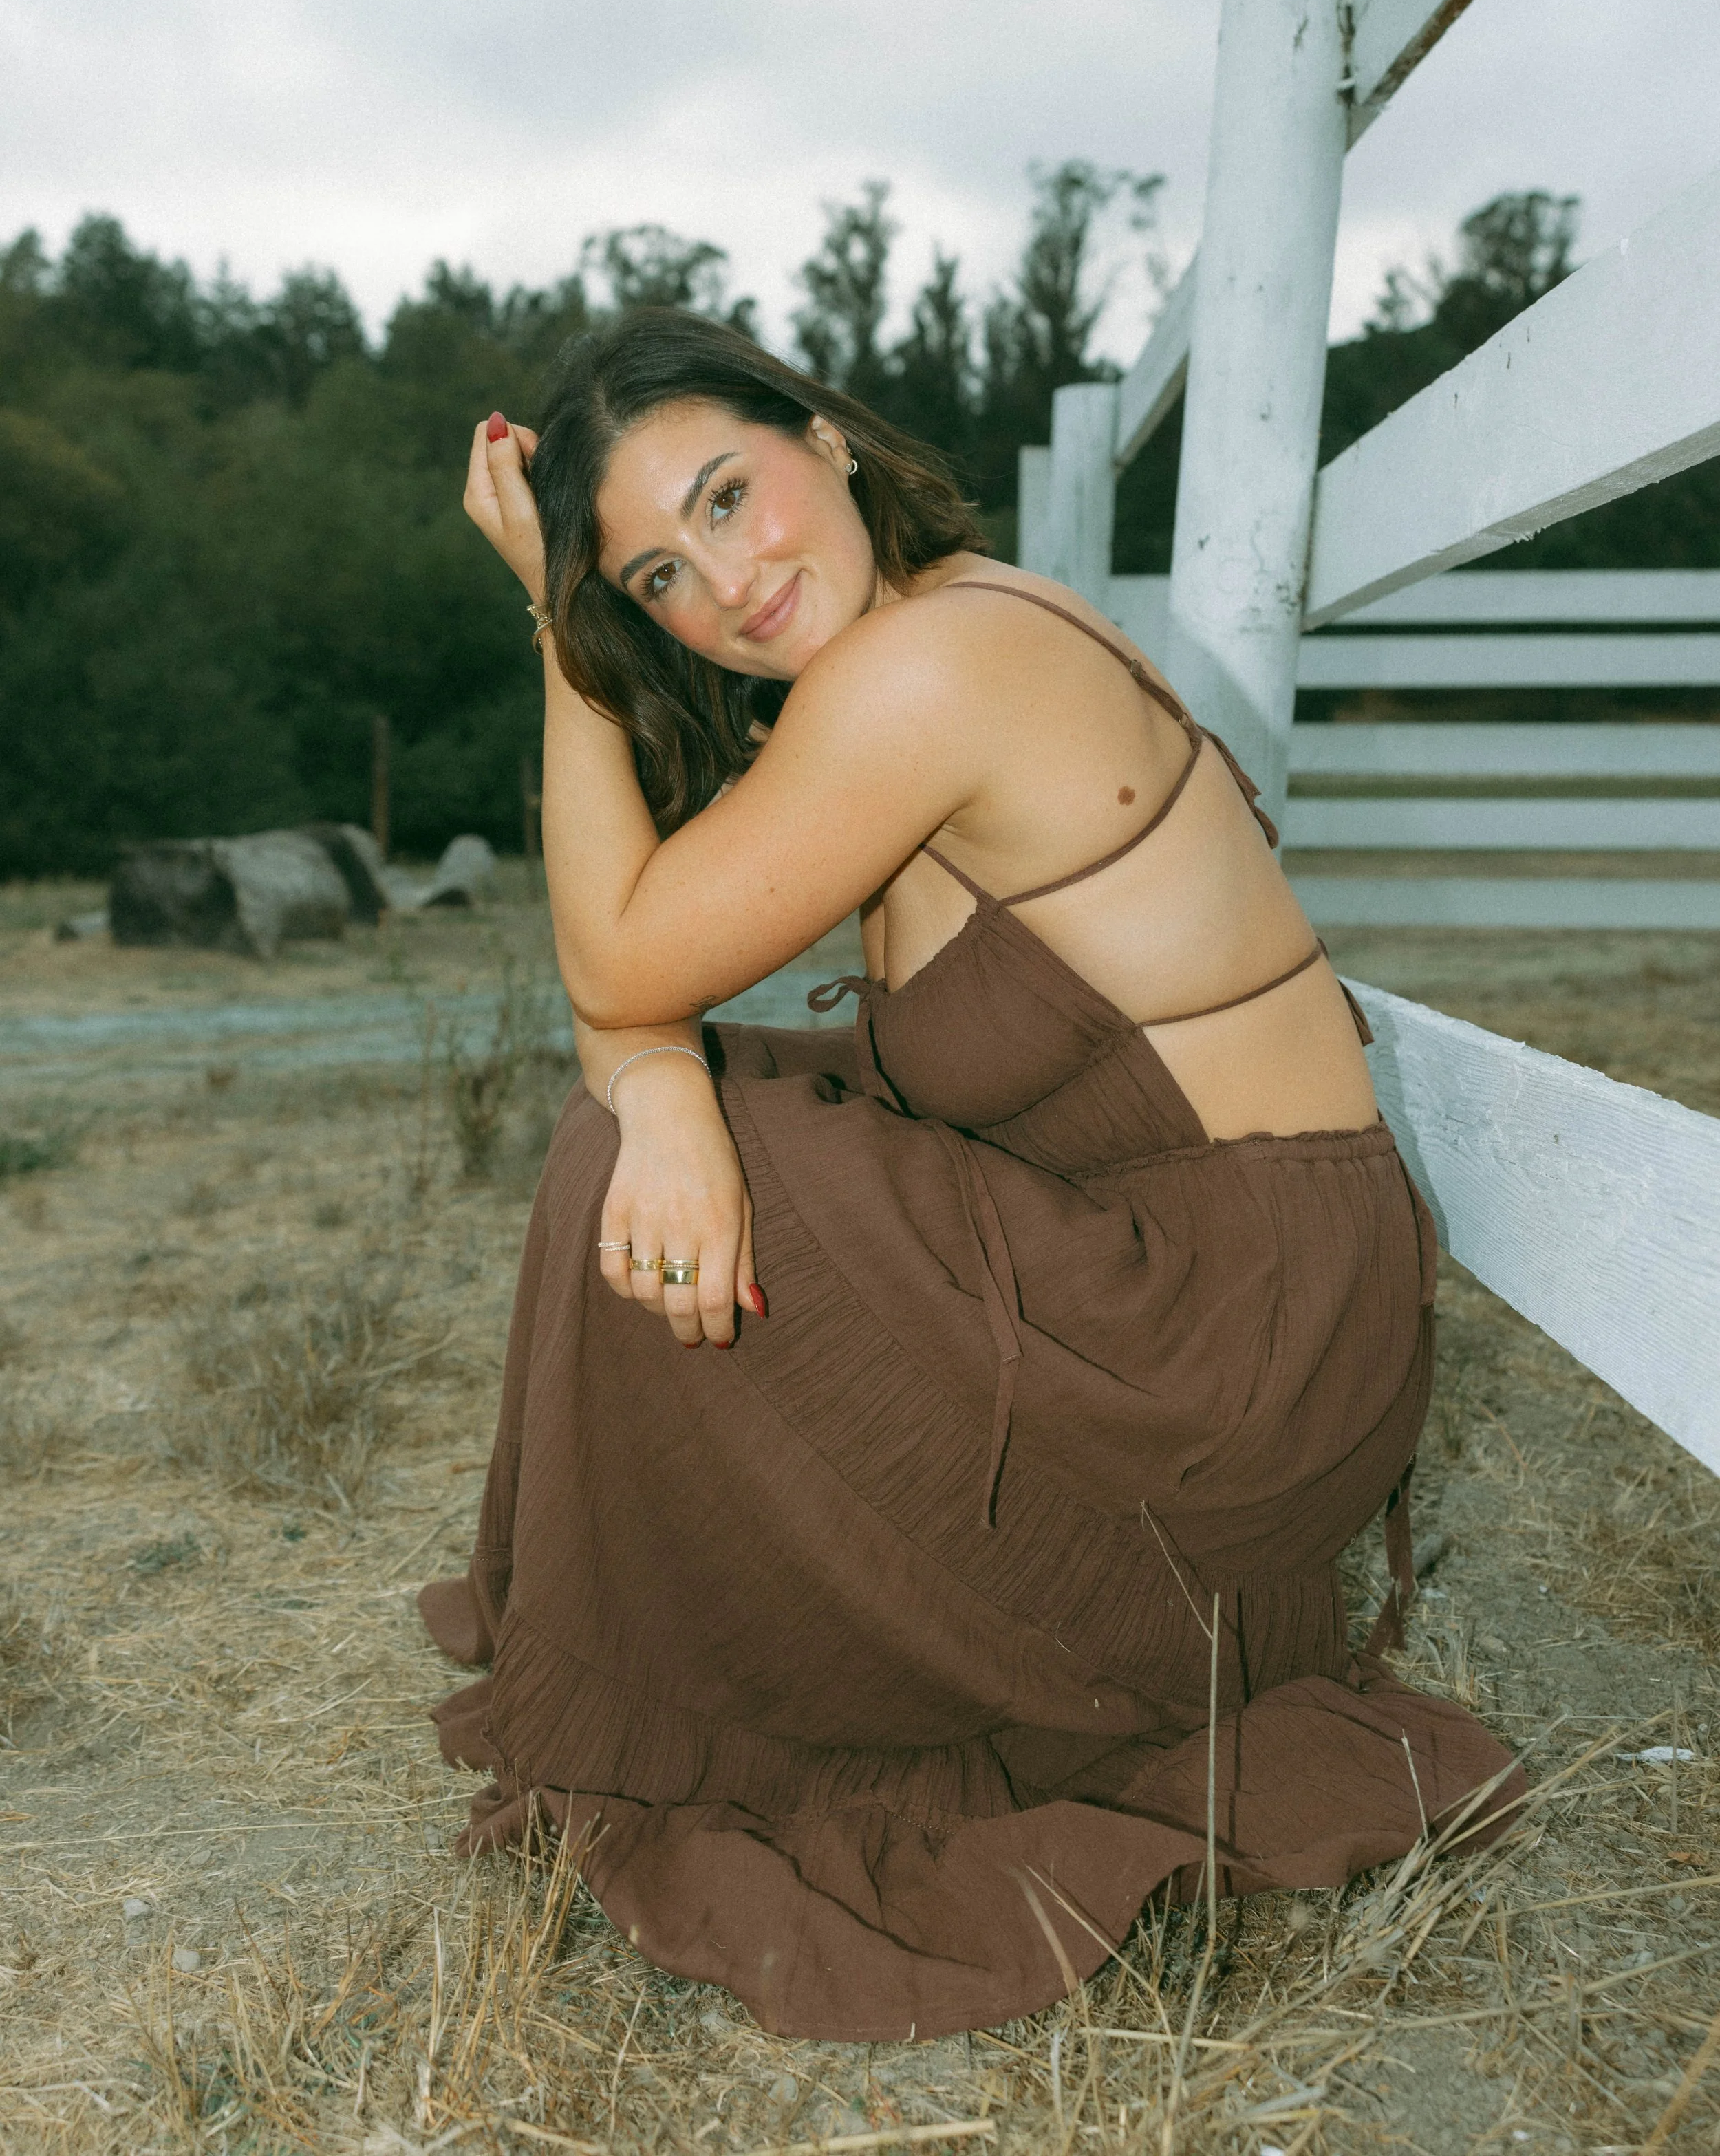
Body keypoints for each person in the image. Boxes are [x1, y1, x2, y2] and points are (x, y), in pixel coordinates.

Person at [419, 307, 1516, 2045]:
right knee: (640, 1148)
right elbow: (625, 1012)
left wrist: (555, 639)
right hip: (1188, 1283)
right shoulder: (910, 645)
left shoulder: (931, 669)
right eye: (645, 583)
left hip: (1241, 1343)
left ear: (827, 438)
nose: (719, 586)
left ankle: (799, 1657)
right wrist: (672, 1101)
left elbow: (619, 964)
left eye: (725, 498)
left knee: (658, 1144)